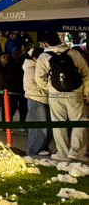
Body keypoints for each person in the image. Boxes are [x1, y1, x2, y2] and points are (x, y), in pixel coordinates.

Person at [35, 32, 89, 162]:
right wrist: (86, 91)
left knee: (59, 124)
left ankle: (63, 153)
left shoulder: (43, 57)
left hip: (55, 94)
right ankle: (77, 152)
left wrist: (49, 88)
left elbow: (39, 78)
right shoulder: (73, 54)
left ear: (45, 43)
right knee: (80, 121)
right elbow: (85, 73)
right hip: (75, 93)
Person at [23, 47, 52, 157]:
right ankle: (35, 149)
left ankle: (43, 147)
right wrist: (46, 88)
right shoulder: (30, 68)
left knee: (46, 125)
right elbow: (31, 85)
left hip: (44, 98)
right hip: (36, 98)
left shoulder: (39, 67)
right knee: (38, 126)